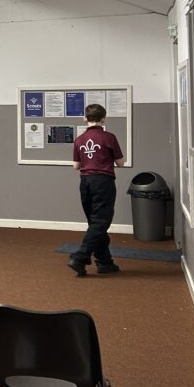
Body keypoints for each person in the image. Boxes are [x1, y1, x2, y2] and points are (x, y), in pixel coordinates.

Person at [68, 103, 125, 276]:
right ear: (104, 119)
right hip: (103, 181)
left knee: (95, 223)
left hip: (85, 182)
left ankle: (105, 262)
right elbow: (121, 163)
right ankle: (80, 257)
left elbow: (75, 166)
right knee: (101, 222)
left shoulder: (79, 140)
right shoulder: (109, 137)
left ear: (85, 118)